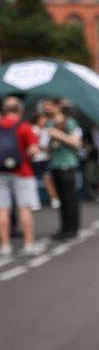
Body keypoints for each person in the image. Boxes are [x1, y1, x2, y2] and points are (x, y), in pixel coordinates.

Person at [0, 97, 41, 256]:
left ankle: (5, 246)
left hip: (1, 172)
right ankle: (28, 244)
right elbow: (34, 150)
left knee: (3, 210)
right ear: (20, 109)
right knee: (25, 208)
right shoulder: (24, 127)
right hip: (23, 172)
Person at [43, 99, 83, 239]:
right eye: (45, 106)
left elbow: (77, 143)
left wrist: (58, 134)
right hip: (55, 164)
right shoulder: (48, 123)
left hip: (68, 164)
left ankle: (73, 228)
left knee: (70, 198)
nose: (47, 108)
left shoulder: (68, 121)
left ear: (57, 106)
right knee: (61, 199)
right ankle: (64, 228)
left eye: (49, 105)